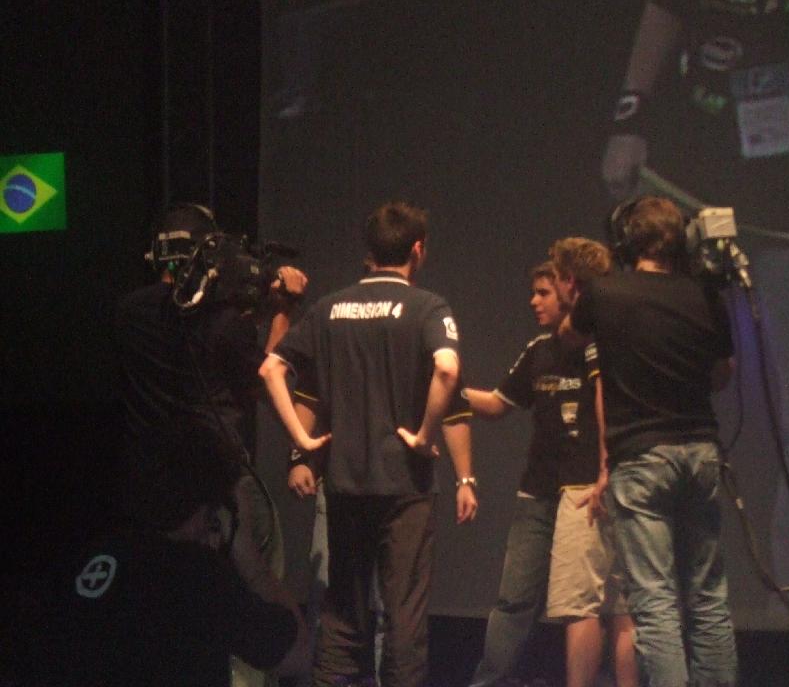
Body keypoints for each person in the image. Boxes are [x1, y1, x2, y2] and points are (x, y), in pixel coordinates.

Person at [599, 0, 789, 607]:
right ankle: (661, 594)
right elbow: (663, 7)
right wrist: (629, 118)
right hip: (696, 192)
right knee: (669, 405)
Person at [260, 201, 477, 687]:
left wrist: (301, 440)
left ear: (370, 250)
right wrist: (424, 436)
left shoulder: (329, 308)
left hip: (345, 484)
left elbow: (271, 367)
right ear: (417, 250)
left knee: (342, 612)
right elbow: (447, 369)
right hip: (405, 488)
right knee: (404, 615)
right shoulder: (428, 307)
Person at [114, 202, 309, 687]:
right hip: (216, 490)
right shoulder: (221, 322)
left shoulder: (126, 315)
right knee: (251, 603)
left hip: (149, 499)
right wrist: (281, 312)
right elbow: (265, 378)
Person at [569, 197, 737, 687]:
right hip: (700, 453)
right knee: (708, 598)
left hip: (640, 459)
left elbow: (570, 334)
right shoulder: (707, 295)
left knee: (655, 601)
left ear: (627, 241)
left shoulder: (604, 292)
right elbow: (722, 375)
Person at [13, 415, 309, 687]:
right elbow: (295, 656)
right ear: (210, 508)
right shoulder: (195, 576)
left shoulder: (88, 557)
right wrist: (247, 555)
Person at [467, 259, 635, 687]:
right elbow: (497, 404)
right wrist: (451, 390)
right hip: (539, 490)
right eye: (533, 292)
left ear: (568, 293)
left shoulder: (602, 346)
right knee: (513, 599)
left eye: (544, 292)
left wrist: (606, 471)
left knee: (600, 603)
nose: (534, 301)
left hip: (585, 489)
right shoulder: (539, 350)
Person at [545, 242, 638, 687]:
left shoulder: (595, 323)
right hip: (633, 474)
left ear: (570, 281)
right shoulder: (626, 316)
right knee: (624, 606)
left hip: (591, 481)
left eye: (555, 279)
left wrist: (603, 468)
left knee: (580, 604)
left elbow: (605, 397)